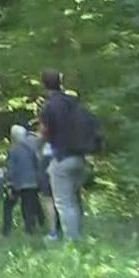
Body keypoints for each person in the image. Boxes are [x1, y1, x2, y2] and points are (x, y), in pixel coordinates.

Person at [38, 69, 87, 240]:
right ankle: (80, 236)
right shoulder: (73, 102)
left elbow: (44, 132)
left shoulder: (49, 106)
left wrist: (40, 142)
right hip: (79, 156)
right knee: (75, 200)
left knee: (64, 202)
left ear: (43, 84)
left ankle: (72, 242)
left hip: (61, 157)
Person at [2, 124, 43, 235]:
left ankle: (6, 231)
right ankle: (34, 228)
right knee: (30, 205)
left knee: (8, 206)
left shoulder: (13, 150)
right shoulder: (32, 147)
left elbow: (11, 169)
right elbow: (38, 163)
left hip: (18, 183)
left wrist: (9, 185)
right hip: (33, 182)